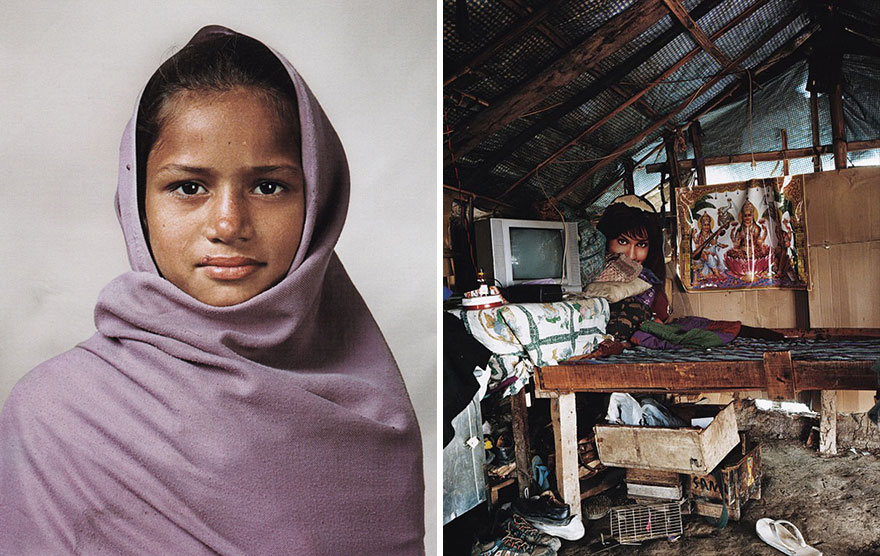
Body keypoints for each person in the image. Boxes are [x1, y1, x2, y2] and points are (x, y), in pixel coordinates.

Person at [0, 26, 424, 555]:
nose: (228, 223)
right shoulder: (55, 416)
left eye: (268, 186)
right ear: (139, 203)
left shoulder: (371, 412)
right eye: (188, 187)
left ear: (318, 199)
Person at [595, 194, 669, 341]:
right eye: (622, 242)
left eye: (641, 245)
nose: (631, 255)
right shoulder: (590, 277)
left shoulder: (650, 282)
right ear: (606, 240)